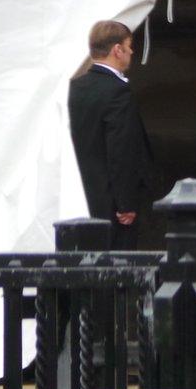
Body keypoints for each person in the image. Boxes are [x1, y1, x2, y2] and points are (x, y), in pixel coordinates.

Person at [68, 20, 152, 250]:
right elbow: (121, 150)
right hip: (111, 204)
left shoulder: (73, 88)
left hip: (78, 196)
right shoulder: (117, 92)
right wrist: (126, 203)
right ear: (117, 50)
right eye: (129, 46)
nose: (132, 51)